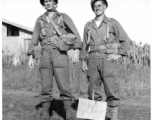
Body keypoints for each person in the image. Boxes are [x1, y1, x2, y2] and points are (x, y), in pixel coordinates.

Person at [27, 0, 81, 120]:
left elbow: (76, 34)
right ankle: (46, 112)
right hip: (45, 54)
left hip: (60, 53)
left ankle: (68, 112)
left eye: (50, 0)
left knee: (64, 84)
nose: (48, 3)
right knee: (45, 85)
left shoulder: (63, 17)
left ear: (55, 3)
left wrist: (76, 50)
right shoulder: (40, 19)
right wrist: (30, 56)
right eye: (45, 1)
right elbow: (34, 38)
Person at [81, 0, 130, 120]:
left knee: (111, 89)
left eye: (99, 5)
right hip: (92, 60)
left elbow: (125, 40)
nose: (97, 8)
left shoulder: (112, 23)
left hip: (107, 60)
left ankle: (113, 116)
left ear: (105, 7)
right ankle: (96, 117)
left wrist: (119, 54)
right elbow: (84, 46)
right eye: (95, 6)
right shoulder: (88, 25)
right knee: (93, 91)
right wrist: (83, 60)